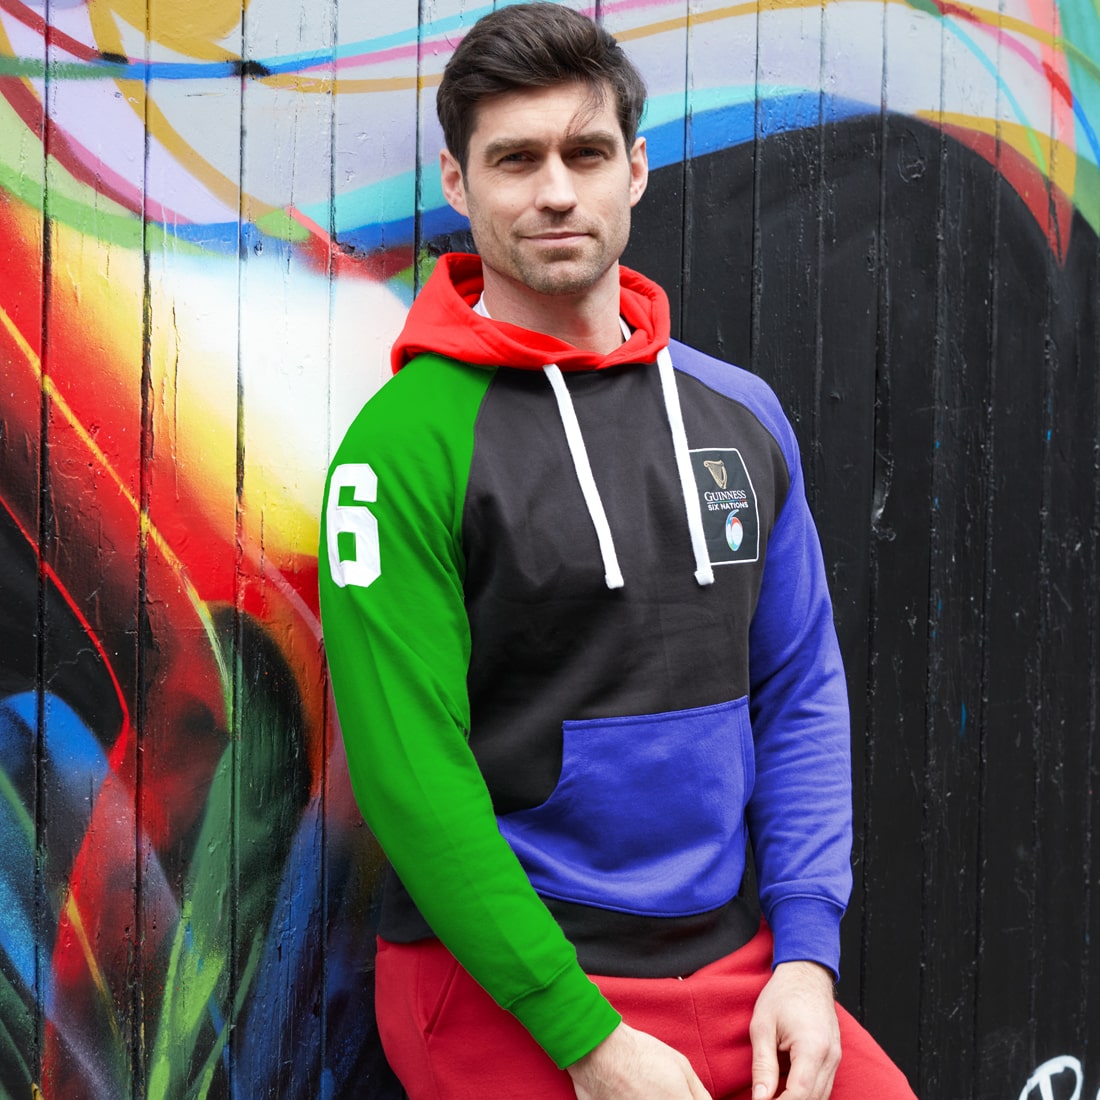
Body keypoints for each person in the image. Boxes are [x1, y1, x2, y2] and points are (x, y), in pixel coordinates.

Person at [318, 5, 916, 1098]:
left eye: (584, 153)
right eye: (514, 159)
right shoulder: (401, 446)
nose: (554, 190)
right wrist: (583, 1036)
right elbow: (412, 778)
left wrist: (803, 955)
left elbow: (795, 688)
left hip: (737, 960)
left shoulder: (739, 412)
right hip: (508, 980)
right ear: (458, 184)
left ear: (633, 171)